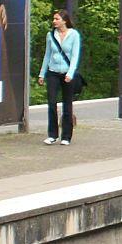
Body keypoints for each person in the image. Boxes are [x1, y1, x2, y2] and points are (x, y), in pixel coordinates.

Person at [38, 10, 81, 145]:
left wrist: (70, 73)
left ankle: (66, 136)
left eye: (57, 19)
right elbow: (47, 55)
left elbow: (75, 56)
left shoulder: (74, 35)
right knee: (51, 103)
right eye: (54, 19)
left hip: (67, 73)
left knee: (67, 105)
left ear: (64, 21)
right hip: (53, 72)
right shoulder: (50, 35)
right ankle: (52, 134)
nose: (54, 21)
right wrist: (42, 73)